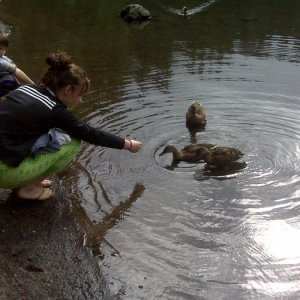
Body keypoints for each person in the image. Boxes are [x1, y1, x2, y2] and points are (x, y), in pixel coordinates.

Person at [0, 52, 142, 200]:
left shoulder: (26, 88)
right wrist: (128, 144)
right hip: (4, 173)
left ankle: (31, 179)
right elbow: (90, 134)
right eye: (80, 94)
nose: (81, 100)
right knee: (72, 143)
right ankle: (28, 188)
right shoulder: (55, 111)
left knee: (52, 132)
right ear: (68, 90)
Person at [0, 31, 34, 98]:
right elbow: (15, 70)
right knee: (11, 79)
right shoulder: (1, 63)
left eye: (0, 49)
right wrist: (32, 84)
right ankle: (23, 92)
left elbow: (10, 62)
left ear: (5, 49)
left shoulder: (3, 58)